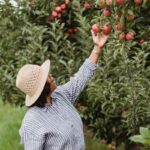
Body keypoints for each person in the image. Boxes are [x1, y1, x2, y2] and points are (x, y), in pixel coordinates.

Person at [16, 30, 109, 150]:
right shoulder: (33, 121)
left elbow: (81, 77)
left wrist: (97, 48)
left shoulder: (60, 96)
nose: (51, 76)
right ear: (42, 87)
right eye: (47, 77)